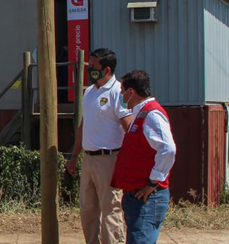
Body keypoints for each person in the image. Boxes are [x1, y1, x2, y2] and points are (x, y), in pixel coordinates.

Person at [66, 48, 131, 244]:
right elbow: (84, 125)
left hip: (109, 159)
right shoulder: (89, 92)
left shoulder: (118, 92)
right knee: (88, 209)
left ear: (107, 69)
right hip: (89, 158)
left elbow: (128, 126)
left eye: (93, 66)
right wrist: (75, 155)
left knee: (110, 209)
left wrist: (129, 159)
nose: (89, 70)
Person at [111, 70, 177, 244]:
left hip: (147, 197)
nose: (121, 95)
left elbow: (168, 149)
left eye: (122, 91)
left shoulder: (151, 114)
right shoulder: (141, 113)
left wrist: (152, 182)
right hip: (139, 196)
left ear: (131, 92)